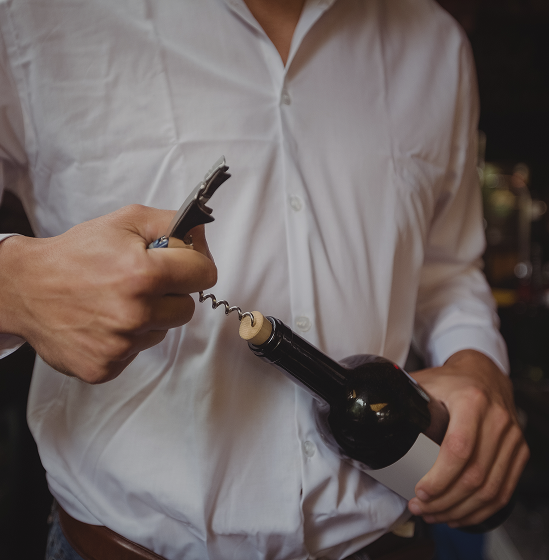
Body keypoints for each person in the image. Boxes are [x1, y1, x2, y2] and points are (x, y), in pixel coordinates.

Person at [0, 0, 530, 559]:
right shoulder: (30, 17)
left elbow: (445, 269)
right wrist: (14, 287)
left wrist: (476, 362)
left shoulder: (435, 44)